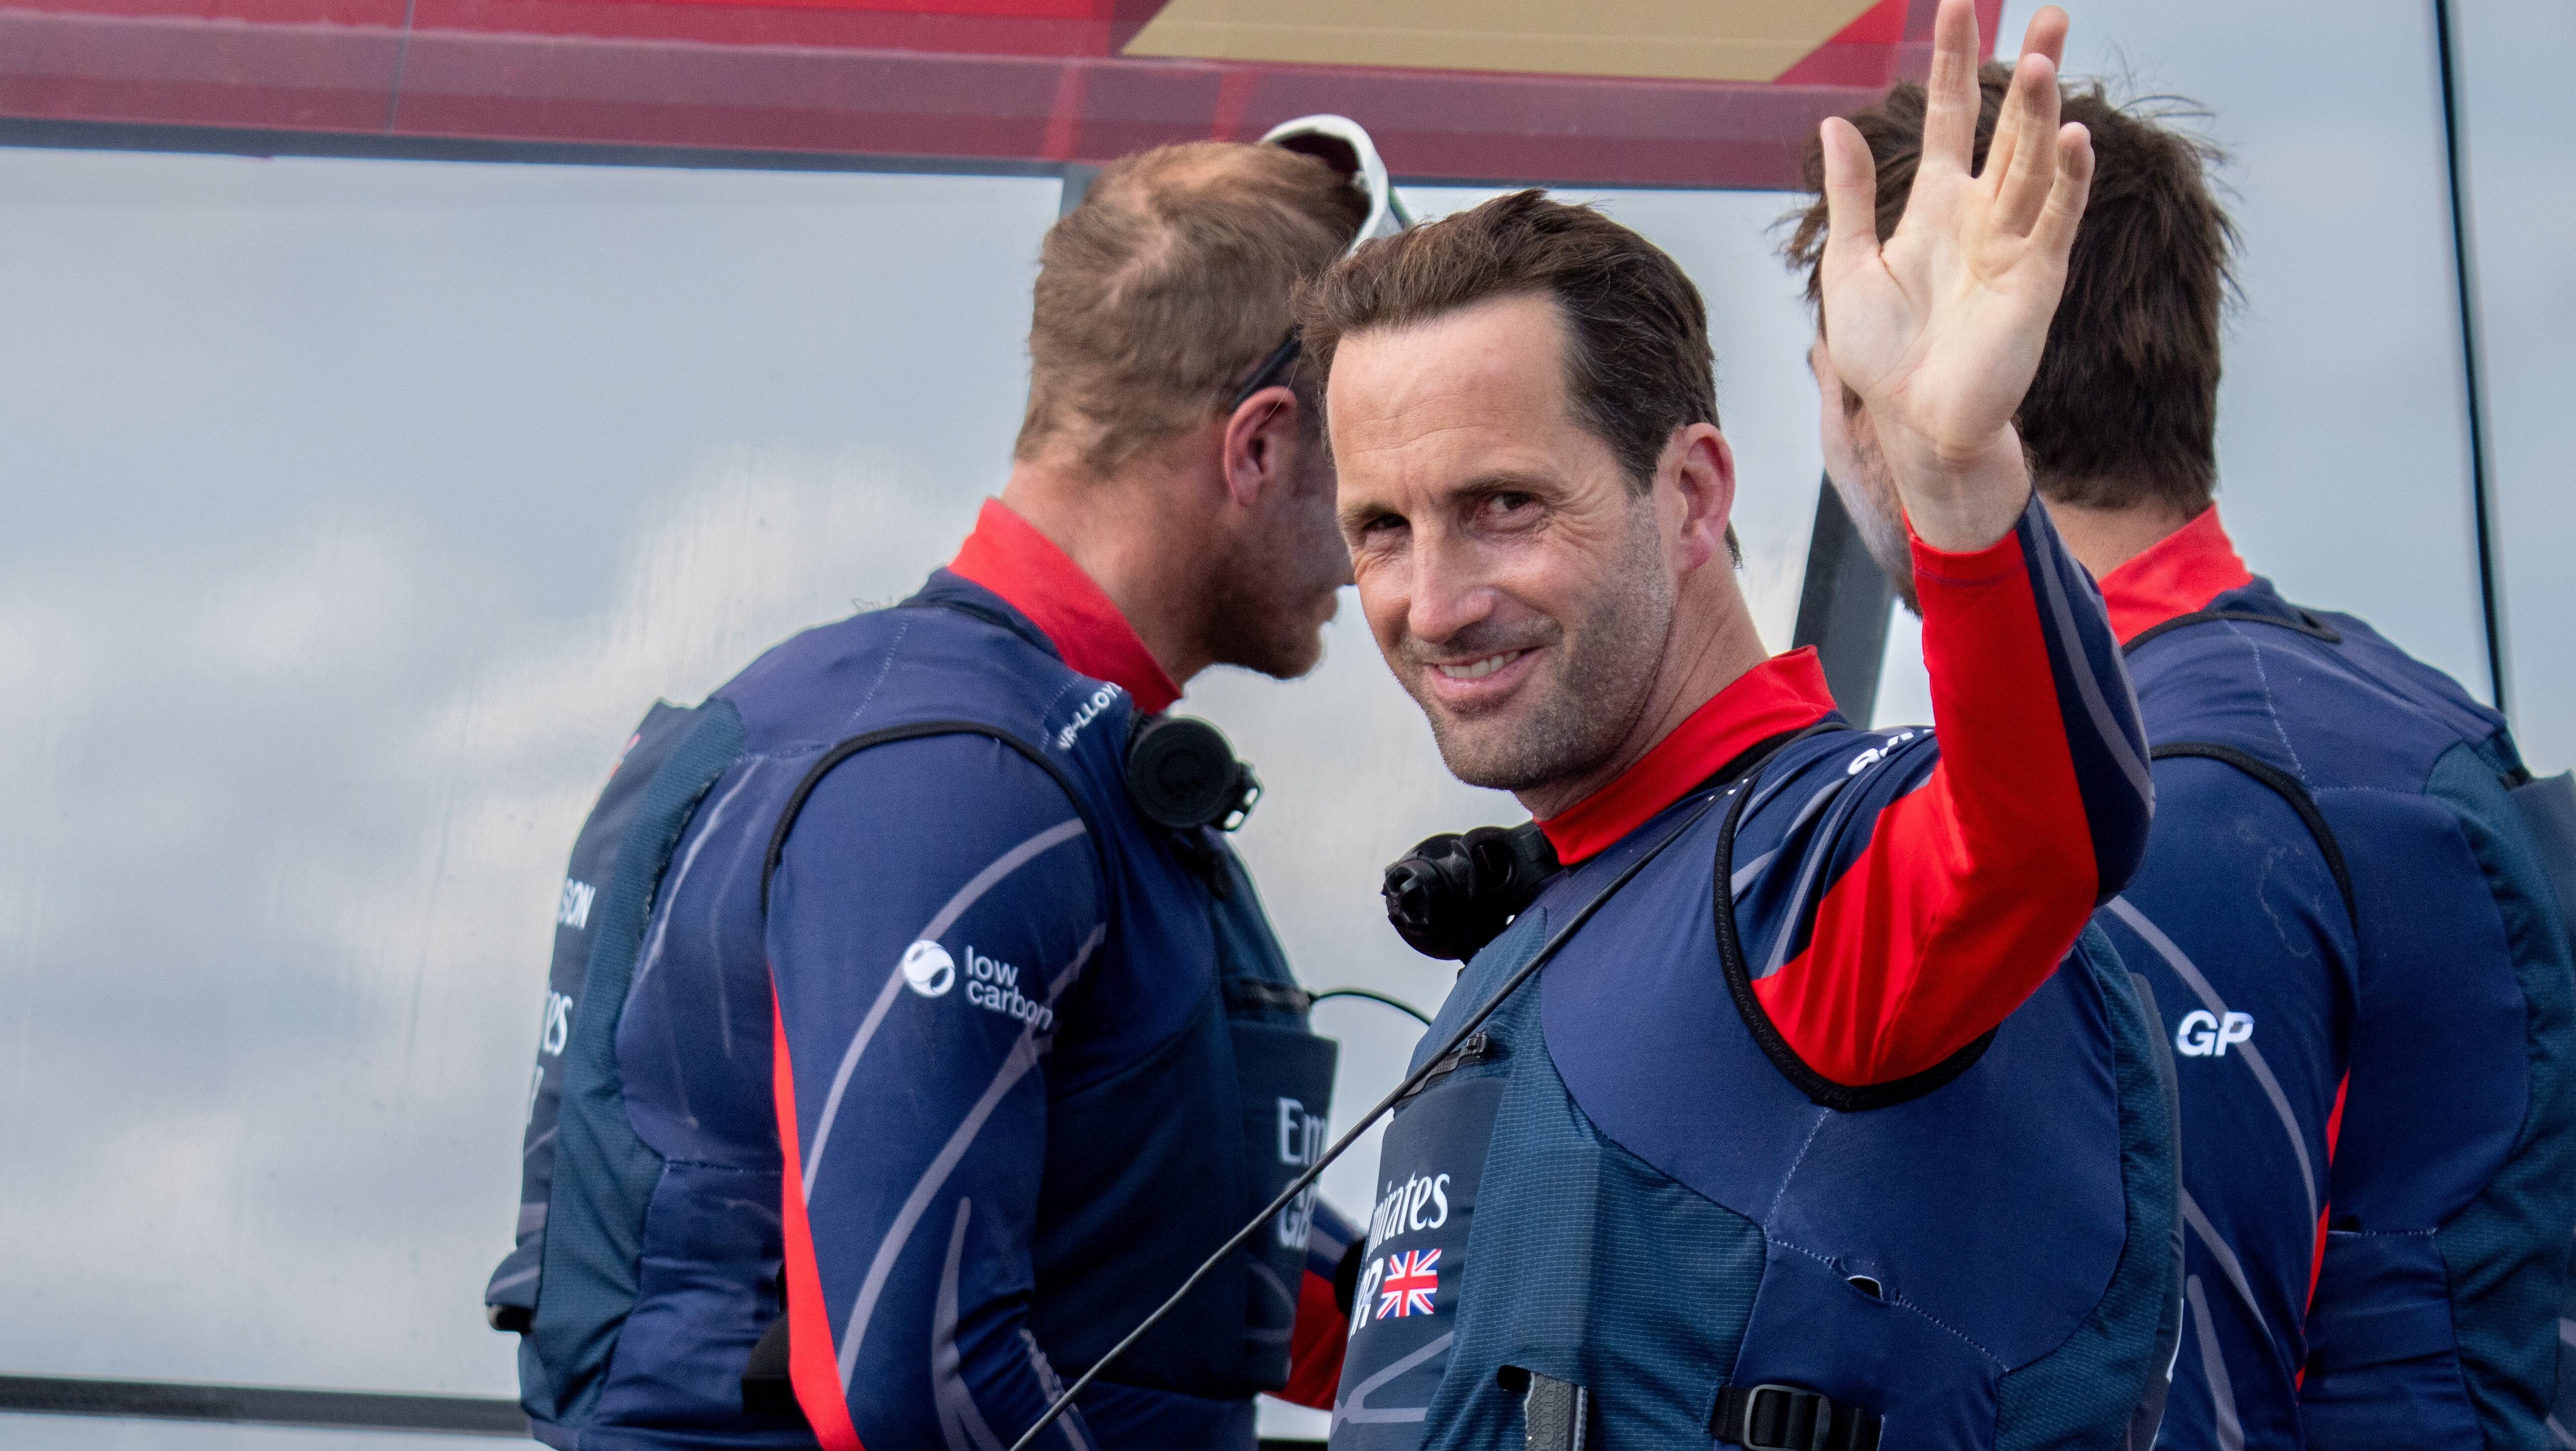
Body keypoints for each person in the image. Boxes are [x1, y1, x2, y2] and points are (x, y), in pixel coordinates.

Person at [1303, 5, 2179, 1449]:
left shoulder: (1803, 881)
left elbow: (2039, 838)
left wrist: (1957, 480)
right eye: (1380, 531)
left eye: (1503, 506)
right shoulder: (1560, 913)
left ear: (1694, 493)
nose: (1436, 600)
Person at [484, 133, 1392, 1450]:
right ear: (1257, 448)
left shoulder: (1013, 757)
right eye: (1365, 474)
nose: (1379, 552)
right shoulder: (955, 784)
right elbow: (914, 1390)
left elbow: (1189, 1254)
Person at [1789, 62, 2576, 1451]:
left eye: (1832, 374)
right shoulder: (2397, 712)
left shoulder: (2160, 808)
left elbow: (2173, 1400)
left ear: (1897, 392)